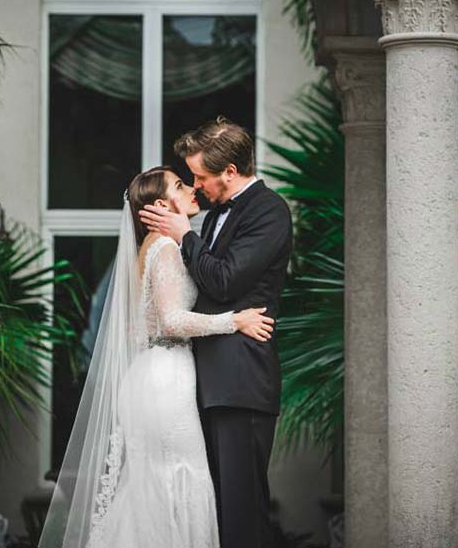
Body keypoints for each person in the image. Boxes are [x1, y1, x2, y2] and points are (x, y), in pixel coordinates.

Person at [38, 165, 275, 548]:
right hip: (166, 377)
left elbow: (139, 326)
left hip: (152, 373)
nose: (192, 188)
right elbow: (171, 320)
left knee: (149, 487)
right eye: (181, 185)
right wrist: (236, 320)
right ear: (164, 204)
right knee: (177, 480)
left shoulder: (151, 247)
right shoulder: (165, 247)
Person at [139, 117, 293, 548]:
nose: (196, 184)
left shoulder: (268, 211)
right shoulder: (214, 216)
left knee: (241, 510)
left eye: (201, 176)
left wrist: (185, 235)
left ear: (230, 171)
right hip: (204, 380)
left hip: (240, 379)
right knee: (211, 511)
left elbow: (224, 282)